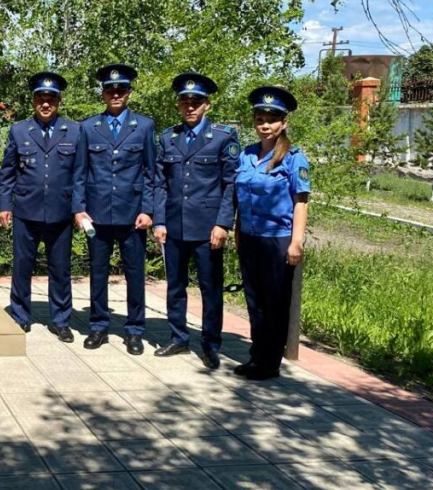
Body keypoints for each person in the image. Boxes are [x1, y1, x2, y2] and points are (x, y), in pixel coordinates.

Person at [153, 73, 240, 369]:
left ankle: (210, 344)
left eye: (196, 102)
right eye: (185, 101)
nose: (190, 107)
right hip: (174, 226)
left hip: (207, 228)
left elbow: (231, 184)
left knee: (210, 288)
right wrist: (159, 221)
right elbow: (160, 183)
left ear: (207, 105)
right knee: (175, 286)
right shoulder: (168, 137)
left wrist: (223, 224)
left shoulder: (223, 137)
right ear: (178, 104)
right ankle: (178, 337)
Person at [73, 65, 157, 355]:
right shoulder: (88, 127)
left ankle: (134, 330)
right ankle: (98, 326)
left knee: (135, 273)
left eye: (121, 90)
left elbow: (150, 172)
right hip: (97, 213)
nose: (116, 94)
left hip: (133, 214)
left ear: (129, 93)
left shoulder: (144, 126)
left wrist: (149, 210)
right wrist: (79, 209)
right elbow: (80, 172)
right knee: (97, 272)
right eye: (110, 90)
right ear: (103, 94)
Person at [0, 71, 83, 342]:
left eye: (51, 99)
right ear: (33, 101)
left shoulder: (75, 131)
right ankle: (20, 315)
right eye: (40, 99)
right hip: (26, 210)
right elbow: (7, 171)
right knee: (22, 265)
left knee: (60, 268)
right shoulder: (19, 130)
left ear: (59, 101)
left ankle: (60, 320)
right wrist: (4, 205)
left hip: (60, 211)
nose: (46, 104)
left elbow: (80, 175)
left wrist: (79, 209)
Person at [234, 85, 310, 381]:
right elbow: (240, 198)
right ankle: (257, 356)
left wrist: (296, 243)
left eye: (272, 119)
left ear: (284, 123)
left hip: (278, 240)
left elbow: (300, 203)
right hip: (251, 238)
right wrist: (239, 233)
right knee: (254, 301)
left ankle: (270, 363)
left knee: (275, 303)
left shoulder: (293, 158)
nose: (265, 125)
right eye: (260, 118)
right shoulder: (247, 155)